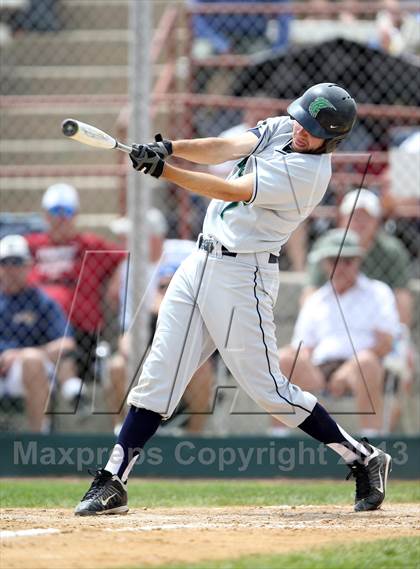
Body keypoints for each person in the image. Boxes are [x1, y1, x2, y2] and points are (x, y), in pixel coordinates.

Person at [74, 83, 392, 516]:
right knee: (159, 374)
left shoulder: (308, 175)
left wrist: (162, 171)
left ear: (332, 140)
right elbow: (226, 146)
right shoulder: (286, 127)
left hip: (244, 275)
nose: (302, 131)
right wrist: (170, 147)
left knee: (269, 391)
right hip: (198, 262)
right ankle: (112, 481)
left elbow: (230, 189)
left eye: (314, 129)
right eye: (302, 119)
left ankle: (362, 457)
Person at [279, 229, 400, 436]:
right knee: (283, 359)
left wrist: (351, 368)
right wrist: (312, 371)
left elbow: (386, 343)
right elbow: (303, 347)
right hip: (321, 369)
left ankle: (371, 448)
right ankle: (277, 444)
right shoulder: (316, 300)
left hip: (363, 366)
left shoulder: (378, 292)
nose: (341, 267)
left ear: (358, 262)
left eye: (348, 260)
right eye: (334, 260)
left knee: (367, 363)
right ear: (325, 264)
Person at [26, 183, 125, 380]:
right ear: (45, 215)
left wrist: (115, 285)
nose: (61, 218)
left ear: (76, 214)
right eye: (55, 211)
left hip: (81, 329)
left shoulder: (90, 245)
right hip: (36, 326)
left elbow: (124, 257)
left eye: (67, 211)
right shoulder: (32, 244)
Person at [0, 235, 82, 432]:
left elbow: (66, 344)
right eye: (5, 262)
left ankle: (38, 440)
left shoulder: (42, 301)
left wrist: (22, 355)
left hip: (28, 371)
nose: (11, 269)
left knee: (32, 361)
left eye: (17, 262)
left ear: (29, 266)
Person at [305, 188, 413, 328]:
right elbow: (310, 295)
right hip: (332, 325)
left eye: (366, 217)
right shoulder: (326, 248)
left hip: (377, 325)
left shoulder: (392, 251)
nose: (360, 222)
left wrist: (394, 336)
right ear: (342, 218)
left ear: (376, 222)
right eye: (354, 216)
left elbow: (402, 299)